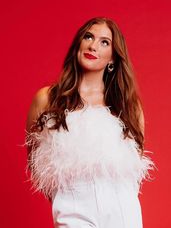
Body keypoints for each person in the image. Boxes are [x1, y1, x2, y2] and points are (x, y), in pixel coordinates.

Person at [25, 17, 153, 228]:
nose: (93, 45)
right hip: (73, 208)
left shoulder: (127, 106)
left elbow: (134, 167)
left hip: (122, 210)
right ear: (79, 43)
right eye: (89, 37)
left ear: (113, 58)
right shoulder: (47, 99)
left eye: (105, 42)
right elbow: (35, 162)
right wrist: (65, 199)